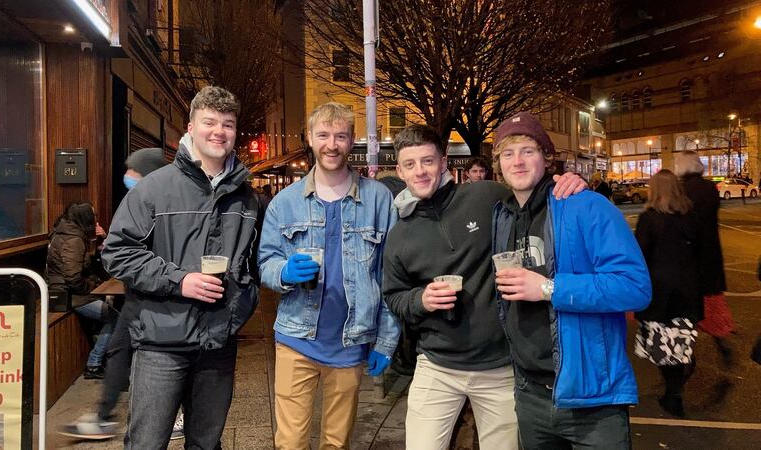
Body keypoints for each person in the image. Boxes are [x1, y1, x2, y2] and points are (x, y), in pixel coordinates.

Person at [382, 123, 585, 449]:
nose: (420, 172)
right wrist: (422, 299)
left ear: (444, 161)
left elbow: (532, 194)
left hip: (500, 367)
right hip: (436, 367)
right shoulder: (399, 234)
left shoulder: (485, 196)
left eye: (428, 161)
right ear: (400, 171)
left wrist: (569, 182)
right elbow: (393, 296)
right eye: (410, 164)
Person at [101, 86, 263, 449]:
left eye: (228, 123)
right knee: (147, 442)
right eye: (209, 122)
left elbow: (252, 264)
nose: (218, 131)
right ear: (190, 127)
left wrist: (240, 309)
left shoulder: (247, 197)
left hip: (218, 342)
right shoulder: (155, 188)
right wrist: (180, 280)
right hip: (161, 343)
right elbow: (117, 251)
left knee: (206, 443)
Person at [490, 112, 651, 449]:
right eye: (507, 153)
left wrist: (550, 288)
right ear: (498, 164)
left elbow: (635, 287)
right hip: (530, 395)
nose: (517, 161)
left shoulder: (586, 206)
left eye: (527, 151)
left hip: (592, 401)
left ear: (547, 158)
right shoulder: (502, 216)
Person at [257, 102, 400, 450]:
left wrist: (386, 339)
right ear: (310, 138)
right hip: (295, 338)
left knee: (336, 443)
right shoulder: (284, 202)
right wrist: (284, 273)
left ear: (352, 141)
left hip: (351, 342)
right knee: (289, 443)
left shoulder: (379, 199)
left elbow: (392, 275)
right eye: (323, 135)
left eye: (340, 136)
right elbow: (266, 264)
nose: (331, 144)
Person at [60, 148, 168, 441]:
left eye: (133, 171)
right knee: (121, 350)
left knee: (164, 357)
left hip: (157, 297)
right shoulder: (138, 201)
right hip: (137, 296)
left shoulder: (158, 203)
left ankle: (109, 416)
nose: (128, 176)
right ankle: (103, 416)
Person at [634, 169, 702, 417]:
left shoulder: (649, 219)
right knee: (679, 338)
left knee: (662, 344)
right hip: (686, 289)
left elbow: (639, 256)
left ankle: (673, 393)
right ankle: (678, 380)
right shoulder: (690, 216)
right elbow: (701, 254)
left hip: (659, 291)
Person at [675, 150, 735, 367]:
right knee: (711, 303)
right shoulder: (710, 188)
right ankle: (721, 341)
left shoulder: (681, 189)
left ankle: (686, 353)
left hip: (688, 255)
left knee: (686, 306)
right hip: (710, 252)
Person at [46, 201, 113, 380]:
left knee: (113, 308)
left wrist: (101, 240)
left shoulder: (69, 233)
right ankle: (94, 363)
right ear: (84, 217)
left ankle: (101, 357)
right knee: (116, 318)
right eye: (93, 215)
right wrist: (94, 290)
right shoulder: (73, 239)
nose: (96, 218)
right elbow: (73, 278)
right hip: (69, 295)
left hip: (68, 292)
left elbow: (84, 264)